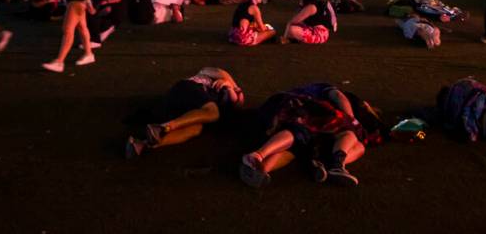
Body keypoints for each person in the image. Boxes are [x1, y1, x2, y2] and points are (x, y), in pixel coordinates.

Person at [240, 84, 383, 187]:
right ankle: (258, 156)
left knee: (297, 147)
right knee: (301, 133)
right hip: (290, 109)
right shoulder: (337, 97)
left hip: (305, 128)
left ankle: (260, 168)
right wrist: (351, 119)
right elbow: (338, 96)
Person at [126, 67, 244, 158]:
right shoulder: (212, 78)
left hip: (185, 110)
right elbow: (209, 70)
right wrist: (230, 84)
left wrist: (232, 92)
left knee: (195, 129)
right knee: (213, 113)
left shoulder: (218, 102)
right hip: (186, 90)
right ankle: (164, 127)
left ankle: (143, 144)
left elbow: (237, 107)